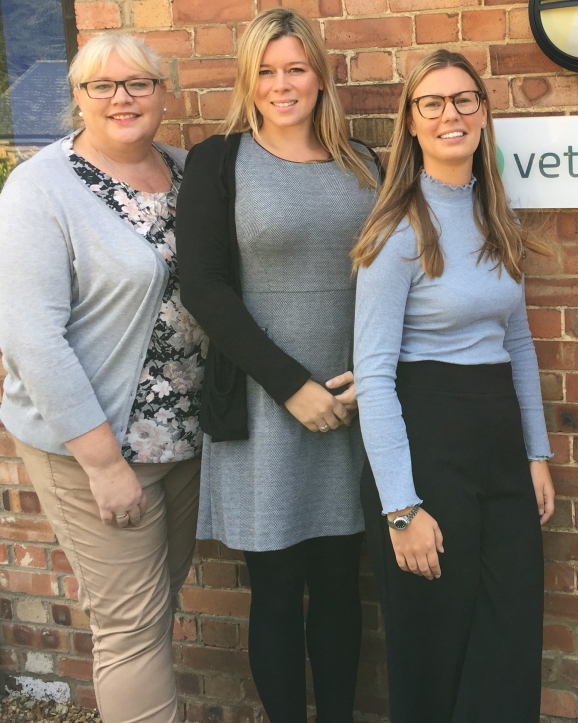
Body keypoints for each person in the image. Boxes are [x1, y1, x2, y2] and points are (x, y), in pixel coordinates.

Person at [175, 9, 379, 723]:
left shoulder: (366, 162)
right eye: (265, 71)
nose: (281, 84)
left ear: (320, 77)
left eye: (295, 68)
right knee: (277, 588)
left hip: (353, 407)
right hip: (266, 406)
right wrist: (293, 387)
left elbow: (393, 279)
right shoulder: (219, 162)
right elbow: (203, 287)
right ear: (247, 80)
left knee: (342, 585)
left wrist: (369, 376)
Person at [0, 34, 201, 723]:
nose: (122, 98)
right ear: (78, 97)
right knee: (130, 628)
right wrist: (104, 464)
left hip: (182, 438)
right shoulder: (40, 190)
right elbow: (31, 337)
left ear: (162, 93)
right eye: (102, 85)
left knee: (155, 608)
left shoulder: (186, 171)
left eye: (139, 83)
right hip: (96, 444)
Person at [351, 49, 555, 723]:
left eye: (464, 99)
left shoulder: (496, 219)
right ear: (411, 122)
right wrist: (400, 508)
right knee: (435, 646)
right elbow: (373, 375)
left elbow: (517, 344)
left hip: (499, 443)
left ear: (484, 112)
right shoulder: (395, 232)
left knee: (509, 636)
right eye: (432, 103)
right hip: (427, 446)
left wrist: (536, 453)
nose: (451, 114)